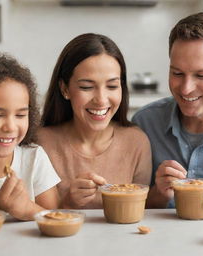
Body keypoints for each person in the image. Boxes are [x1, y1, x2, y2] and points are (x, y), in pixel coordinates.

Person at [38, 33, 152, 209]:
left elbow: (142, 212)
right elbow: (31, 220)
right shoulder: (40, 144)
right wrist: (67, 203)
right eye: (87, 87)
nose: (101, 99)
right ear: (65, 88)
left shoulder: (136, 142)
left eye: (112, 86)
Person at [132, 12, 203, 216]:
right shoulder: (145, 124)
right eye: (177, 73)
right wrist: (159, 193)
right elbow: (131, 206)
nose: (185, 89)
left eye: (201, 75)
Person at [0, 52, 60, 220]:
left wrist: (28, 209)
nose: (10, 127)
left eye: (20, 115)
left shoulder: (34, 158)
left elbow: (56, 218)